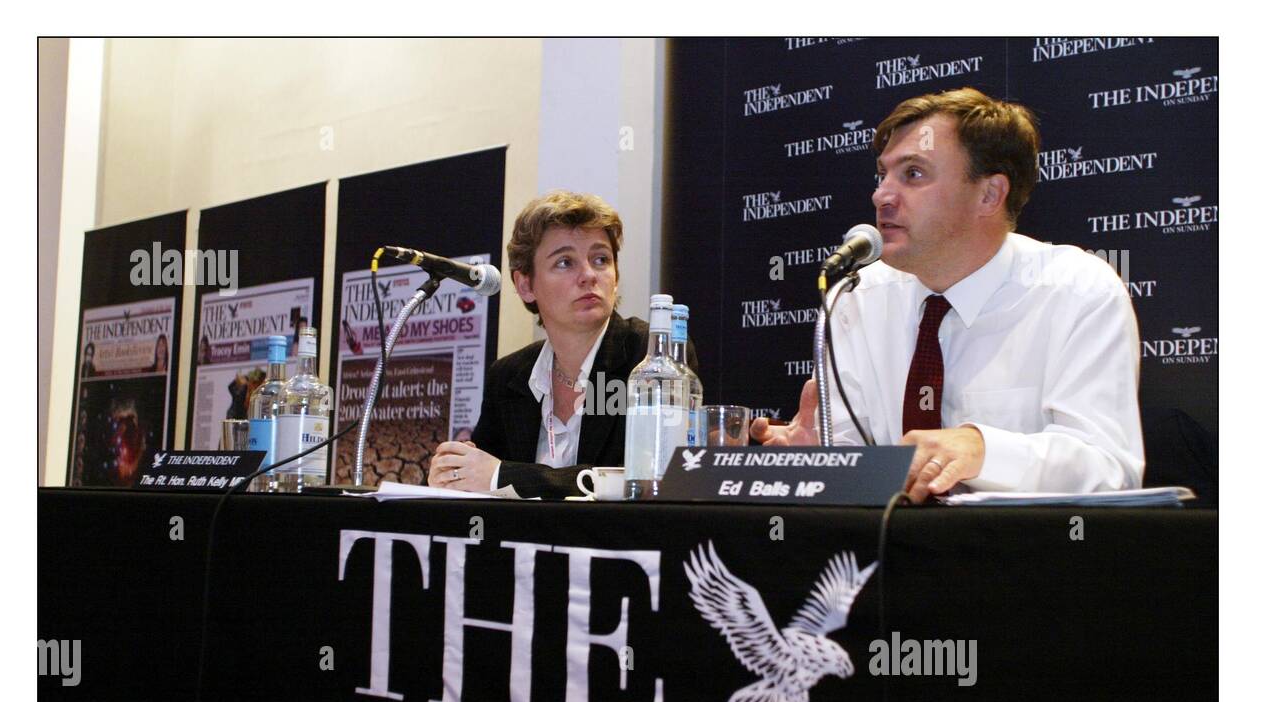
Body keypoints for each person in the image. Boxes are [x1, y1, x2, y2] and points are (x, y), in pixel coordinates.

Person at [752, 87, 1144, 503]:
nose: (881, 194)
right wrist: (818, 460)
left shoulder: (1077, 291)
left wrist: (981, 449)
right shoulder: (857, 296)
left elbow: (1109, 469)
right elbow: (854, 463)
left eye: (913, 174)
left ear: (989, 194)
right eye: (882, 174)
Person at [428, 190, 698, 498]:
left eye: (601, 259)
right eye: (565, 262)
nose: (588, 275)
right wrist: (455, 472)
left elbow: (645, 481)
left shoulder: (649, 358)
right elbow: (480, 479)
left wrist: (505, 476)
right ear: (525, 285)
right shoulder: (509, 377)